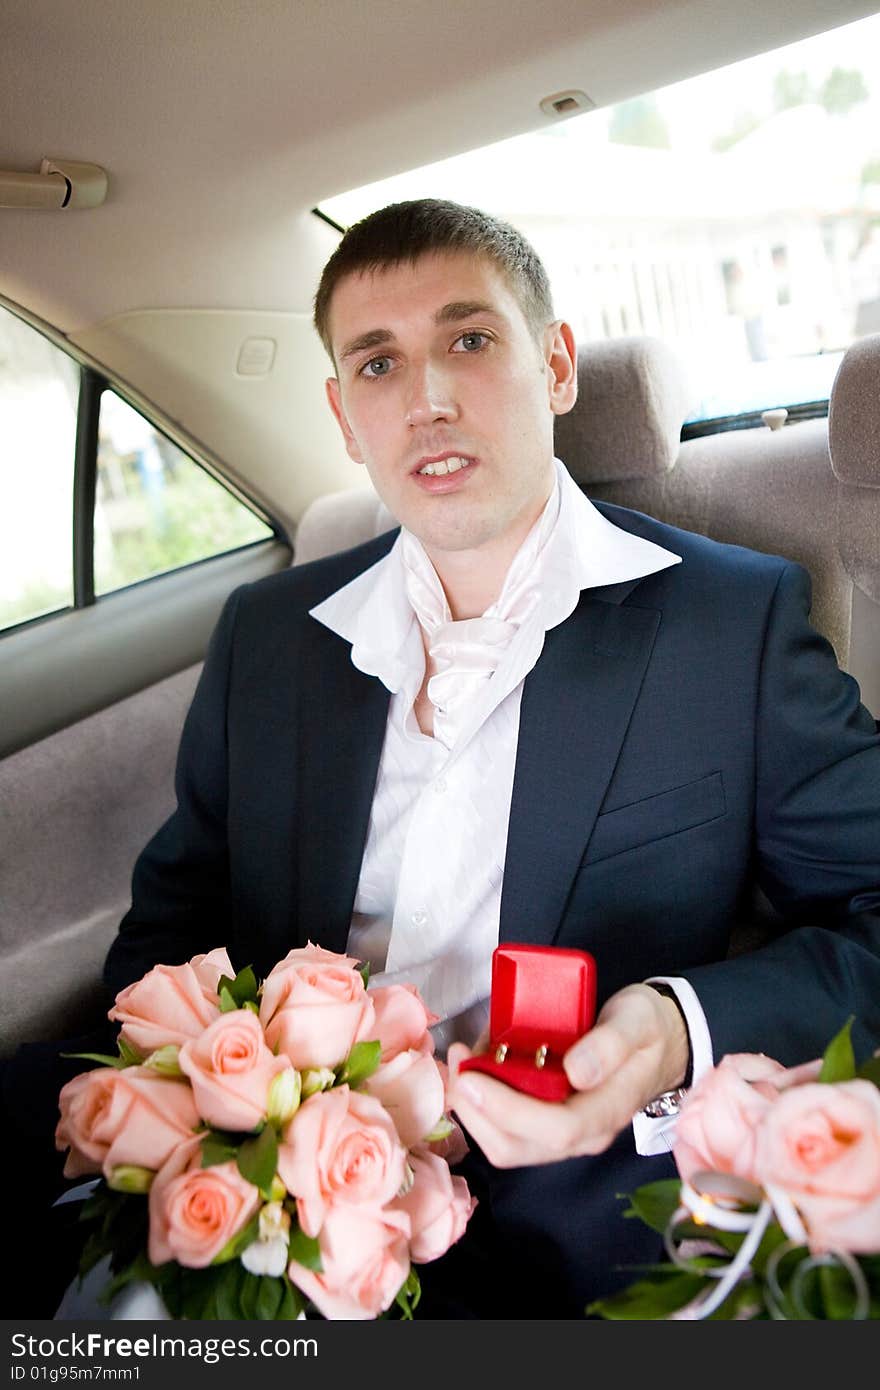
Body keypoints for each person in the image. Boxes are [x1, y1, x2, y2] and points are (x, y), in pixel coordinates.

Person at [8, 198, 880, 1320]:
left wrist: (671, 1027)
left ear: (555, 364)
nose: (425, 400)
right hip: (263, 1181)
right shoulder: (268, 637)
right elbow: (173, 935)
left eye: (469, 341)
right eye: (378, 363)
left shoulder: (729, 623)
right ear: (340, 412)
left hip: (572, 1200)